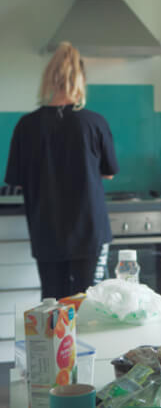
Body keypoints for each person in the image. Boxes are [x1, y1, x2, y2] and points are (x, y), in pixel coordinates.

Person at [4, 42, 119, 300]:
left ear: (49, 79)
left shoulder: (26, 126)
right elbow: (109, 171)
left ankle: (55, 342)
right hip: (89, 230)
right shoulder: (95, 123)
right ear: (81, 80)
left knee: (52, 302)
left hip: (46, 230)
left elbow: (17, 181)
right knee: (87, 302)